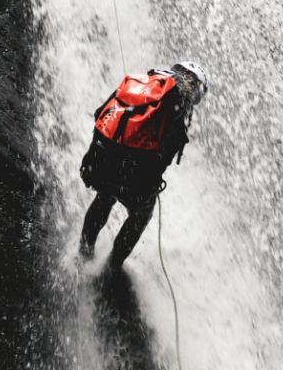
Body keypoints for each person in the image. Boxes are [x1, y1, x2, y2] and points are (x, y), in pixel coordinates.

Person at [79, 62, 207, 266]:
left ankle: (84, 253)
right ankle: (112, 266)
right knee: (143, 212)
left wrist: (94, 154)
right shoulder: (178, 100)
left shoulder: (142, 81)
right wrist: (152, 180)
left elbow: (101, 114)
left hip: (104, 160)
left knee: (105, 197)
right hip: (135, 177)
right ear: (194, 84)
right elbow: (167, 151)